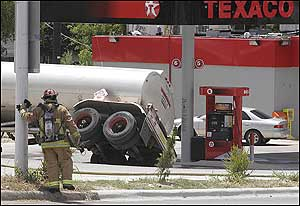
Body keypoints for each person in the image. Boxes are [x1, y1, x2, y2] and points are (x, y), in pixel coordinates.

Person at [16, 89, 82, 193]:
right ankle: (67, 184)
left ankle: (54, 186)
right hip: (61, 143)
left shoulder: (39, 110)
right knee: (66, 162)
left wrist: (22, 110)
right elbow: (71, 124)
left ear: (44, 99)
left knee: (51, 164)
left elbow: (28, 118)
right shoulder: (62, 109)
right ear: (55, 97)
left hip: (46, 144)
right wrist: (77, 138)